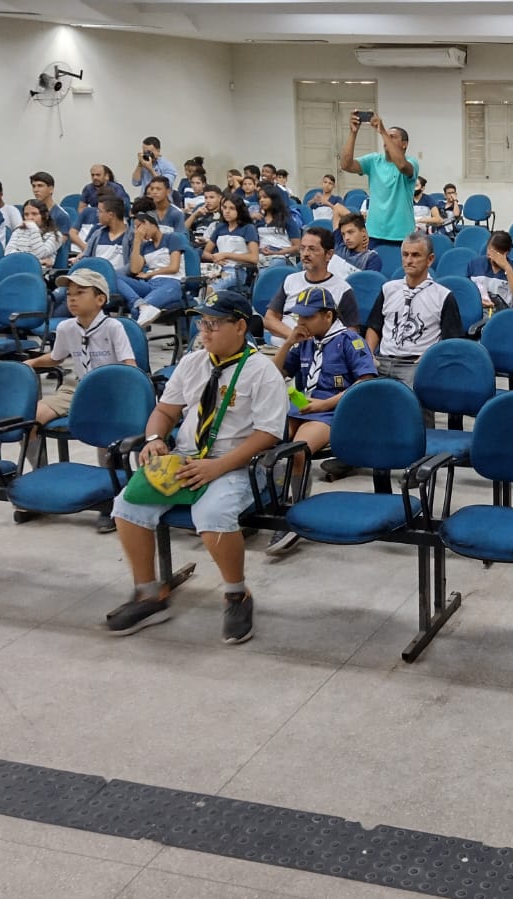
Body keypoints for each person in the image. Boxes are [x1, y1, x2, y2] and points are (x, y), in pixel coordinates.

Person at [105, 290, 287, 644]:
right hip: (187, 458)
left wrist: (216, 468)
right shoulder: (192, 363)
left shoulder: (262, 371)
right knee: (127, 504)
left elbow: (267, 435)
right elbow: (165, 410)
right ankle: (148, 593)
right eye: (202, 323)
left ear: (240, 326)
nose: (204, 331)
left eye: (214, 324)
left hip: (237, 464)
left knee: (212, 514)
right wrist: (154, 438)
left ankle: (237, 594)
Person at [264, 285, 378, 554]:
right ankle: (268, 500)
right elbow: (274, 374)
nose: (301, 322)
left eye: (308, 317)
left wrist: (324, 404)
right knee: (265, 438)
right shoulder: (305, 341)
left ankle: (295, 513)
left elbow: (366, 382)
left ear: (328, 315)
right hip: (302, 407)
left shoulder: (349, 341)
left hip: (333, 411)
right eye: (298, 317)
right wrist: (289, 342)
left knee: (297, 451)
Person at [24, 268, 138, 532]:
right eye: (69, 294)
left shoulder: (113, 327)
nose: (72, 298)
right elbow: (56, 358)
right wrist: (31, 362)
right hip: (76, 387)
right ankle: (41, 481)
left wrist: (126, 395)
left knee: (105, 433)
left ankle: (111, 498)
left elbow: (129, 364)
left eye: (80, 293)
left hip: (109, 389)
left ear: (100, 299)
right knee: (29, 420)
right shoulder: (66, 327)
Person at [363, 232, 462, 387]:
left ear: (430, 259)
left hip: (415, 365)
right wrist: (368, 355)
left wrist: (429, 357)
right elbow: (374, 326)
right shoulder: (388, 289)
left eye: (415, 255)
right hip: (382, 360)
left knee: (409, 394)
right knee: (358, 389)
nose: (409, 261)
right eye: (405, 255)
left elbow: (451, 341)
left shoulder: (443, 296)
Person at [263, 227, 359, 345]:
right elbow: (269, 319)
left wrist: (312, 344)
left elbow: (351, 331)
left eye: (312, 249)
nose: (305, 254)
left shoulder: (342, 289)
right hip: (280, 348)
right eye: (302, 248)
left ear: (329, 254)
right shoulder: (290, 280)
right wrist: (294, 336)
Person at [340, 111, 419, 246]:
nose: (386, 140)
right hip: (374, 233)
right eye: (386, 137)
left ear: (404, 144)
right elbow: (346, 165)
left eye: (392, 137)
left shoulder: (411, 162)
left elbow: (401, 165)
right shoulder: (374, 160)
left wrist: (382, 131)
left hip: (402, 234)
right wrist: (353, 133)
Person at [124, 211, 187, 327]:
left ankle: (140, 312)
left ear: (148, 223)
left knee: (135, 311)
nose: (138, 231)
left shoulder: (172, 238)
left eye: (139, 226)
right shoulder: (146, 246)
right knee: (114, 277)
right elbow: (135, 269)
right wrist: (137, 242)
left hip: (171, 282)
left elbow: (174, 267)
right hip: (151, 284)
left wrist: (150, 274)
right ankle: (137, 301)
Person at [202, 196, 259, 294]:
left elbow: (254, 258)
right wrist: (214, 258)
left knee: (210, 289)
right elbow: (205, 253)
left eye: (232, 208)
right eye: (224, 208)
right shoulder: (220, 227)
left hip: (237, 270)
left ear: (239, 210)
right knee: (200, 288)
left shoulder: (248, 228)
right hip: (217, 268)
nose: (227, 211)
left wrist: (226, 255)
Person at [466, 231, 513, 312]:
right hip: (478, 311)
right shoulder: (475, 264)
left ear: (506, 253)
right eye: (489, 250)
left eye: (496, 253)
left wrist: (507, 268)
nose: (492, 257)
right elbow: (467, 293)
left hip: (504, 313)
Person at [3, 199, 62, 270]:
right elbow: (8, 253)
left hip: (39, 271)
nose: (30, 218)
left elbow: (39, 254)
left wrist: (33, 228)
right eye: (26, 214)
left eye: (34, 214)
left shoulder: (56, 235)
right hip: (16, 267)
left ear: (45, 215)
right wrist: (39, 261)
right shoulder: (18, 230)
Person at [255, 183, 300, 267]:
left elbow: (297, 247)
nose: (261, 200)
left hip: (283, 256)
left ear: (274, 199)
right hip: (262, 256)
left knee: (272, 266)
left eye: (265, 197)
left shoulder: (286, 219)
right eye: (259, 198)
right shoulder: (259, 221)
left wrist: (276, 253)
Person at [186, 183, 225, 249]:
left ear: (220, 198)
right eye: (206, 198)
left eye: (211, 197)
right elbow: (183, 230)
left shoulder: (224, 212)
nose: (208, 201)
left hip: (212, 247)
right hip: (194, 243)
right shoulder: (199, 208)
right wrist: (194, 215)